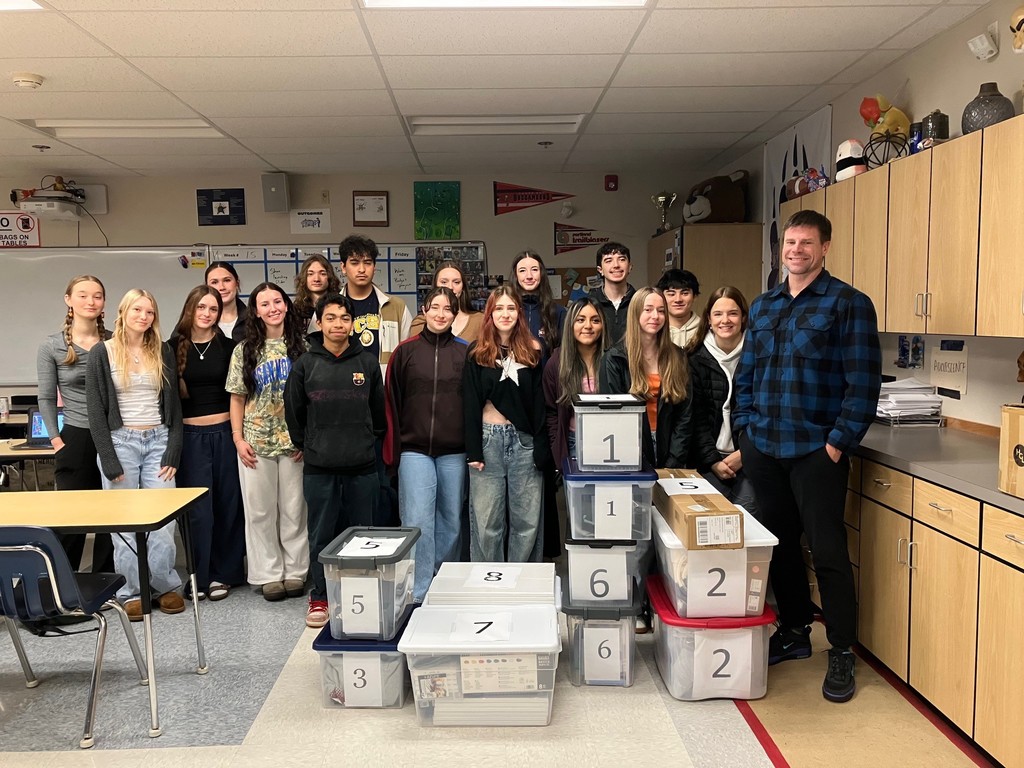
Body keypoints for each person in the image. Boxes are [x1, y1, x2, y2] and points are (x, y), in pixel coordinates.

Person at [733, 209, 881, 704]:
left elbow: (863, 385)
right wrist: (744, 431)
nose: (795, 250)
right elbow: (747, 375)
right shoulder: (765, 305)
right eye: (789, 242)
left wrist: (838, 443)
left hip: (817, 451)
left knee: (828, 550)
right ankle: (794, 630)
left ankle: (840, 649)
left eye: (805, 243)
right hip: (765, 447)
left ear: (825, 248)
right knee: (779, 545)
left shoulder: (848, 304)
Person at [285, 293, 385, 628]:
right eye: (331, 317)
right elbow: (294, 411)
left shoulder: (367, 363)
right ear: (319, 322)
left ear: (352, 323)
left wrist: (367, 442)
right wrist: (307, 444)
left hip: (362, 465)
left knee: (363, 535)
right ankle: (321, 597)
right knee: (321, 535)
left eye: (344, 317)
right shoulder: (305, 364)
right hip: (319, 466)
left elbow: (378, 412)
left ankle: (362, 594)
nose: (338, 324)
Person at [85, 289, 184, 620]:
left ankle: (165, 586)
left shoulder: (162, 350)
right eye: (137, 310)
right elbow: (95, 412)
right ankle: (131, 592)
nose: (144, 316)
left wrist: (173, 448)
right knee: (124, 525)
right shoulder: (103, 352)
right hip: (120, 442)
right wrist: (109, 458)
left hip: (158, 439)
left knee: (162, 520)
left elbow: (173, 407)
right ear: (123, 312)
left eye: (150, 312)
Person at [225, 282, 310, 603]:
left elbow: (311, 399)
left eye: (278, 301)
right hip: (255, 443)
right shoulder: (244, 350)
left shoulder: (302, 347)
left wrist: (305, 436)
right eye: (265, 303)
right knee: (260, 512)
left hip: (294, 444)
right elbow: (236, 398)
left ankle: (296, 571)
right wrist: (238, 438)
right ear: (256, 311)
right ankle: (268, 574)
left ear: (286, 306)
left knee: (294, 510)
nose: (273, 307)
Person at [385, 287, 469, 602]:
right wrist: (393, 451)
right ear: (424, 309)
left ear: (455, 314)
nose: (441, 314)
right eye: (435, 307)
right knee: (418, 519)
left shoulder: (466, 352)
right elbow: (392, 402)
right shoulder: (404, 352)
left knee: (450, 519)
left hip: (454, 451)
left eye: (448, 309)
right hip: (414, 449)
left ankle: (444, 585)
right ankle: (419, 591)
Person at [169, 285, 245, 602]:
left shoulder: (230, 347)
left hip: (225, 434)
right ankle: (198, 575)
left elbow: (237, 395)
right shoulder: (171, 348)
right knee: (199, 512)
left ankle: (223, 575)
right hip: (190, 439)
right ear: (190, 309)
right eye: (201, 307)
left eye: (212, 309)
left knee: (228, 505)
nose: (206, 314)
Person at [463, 286, 548, 563]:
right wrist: (473, 450)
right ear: (490, 313)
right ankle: (490, 582)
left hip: (524, 441)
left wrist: (540, 448)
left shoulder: (534, 350)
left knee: (527, 521)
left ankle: (521, 580)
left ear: (519, 313)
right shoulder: (477, 353)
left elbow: (540, 403)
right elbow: (470, 403)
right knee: (488, 522)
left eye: (511, 308)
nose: (505, 313)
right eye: (499, 308)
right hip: (489, 442)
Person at [36, 275, 114, 574]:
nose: (90, 302)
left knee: (112, 516)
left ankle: (106, 580)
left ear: (104, 302)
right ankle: (59, 586)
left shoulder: (113, 341)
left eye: (97, 296)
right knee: (73, 518)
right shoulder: (52, 346)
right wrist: (57, 440)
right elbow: (45, 397)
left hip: (114, 436)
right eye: (82, 295)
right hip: (76, 436)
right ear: (69, 300)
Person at [338, 234, 412, 525]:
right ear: (343, 267)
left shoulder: (395, 307)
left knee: (382, 482)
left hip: (382, 407)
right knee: (346, 486)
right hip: (342, 410)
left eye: (367, 263)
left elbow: (406, 359)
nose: (361, 269)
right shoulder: (331, 307)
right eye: (354, 263)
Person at [509, 249, 566, 558]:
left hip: (548, 403)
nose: (529, 275)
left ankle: (543, 553)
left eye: (534, 269)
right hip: (515, 404)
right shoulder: (508, 310)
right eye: (523, 270)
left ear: (542, 274)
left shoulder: (557, 313)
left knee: (541, 475)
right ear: (515, 276)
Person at [600, 287, 692, 469]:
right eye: (648, 309)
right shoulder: (615, 358)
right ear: (635, 314)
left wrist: (674, 460)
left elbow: (685, 415)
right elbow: (614, 417)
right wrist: (638, 459)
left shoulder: (678, 356)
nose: (655, 316)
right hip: (631, 451)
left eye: (661, 311)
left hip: (671, 449)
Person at [688, 285, 757, 515]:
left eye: (733, 313)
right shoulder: (695, 359)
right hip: (708, 461)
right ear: (708, 319)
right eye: (718, 314)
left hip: (749, 459)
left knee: (748, 517)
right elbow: (695, 418)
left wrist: (745, 454)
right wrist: (713, 461)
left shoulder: (759, 356)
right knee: (712, 520)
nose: (725, 320)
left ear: (743, 318)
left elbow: (764, 412)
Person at [543, 297, 607, 472]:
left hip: (609, 441)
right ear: (570, 324)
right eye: (580, 320)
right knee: (578, 498)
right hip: (572, 441)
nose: (588, 326)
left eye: (595, 320)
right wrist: (558, 448)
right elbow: (551, 412)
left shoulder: (613, 361)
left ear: (603, 326)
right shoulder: (556, 363)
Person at [409, 260, 484, 343]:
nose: (450, 287)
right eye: (444, 282)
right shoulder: (420, 322)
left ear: (463, 287)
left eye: (456, 282)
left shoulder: (479, 320)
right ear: (435, 286)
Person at [587, 241, 637, 346]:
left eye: (622, 259)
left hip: (632, 361)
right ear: (600, 270)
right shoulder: (589, 303)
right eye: (608, 261)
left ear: (630, 267)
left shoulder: (640, 302)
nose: (616, 265)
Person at [293, 253, 341, 333]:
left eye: (322, 273)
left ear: (329, 277)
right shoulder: (296, 310)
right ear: (304, 278)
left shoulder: (341, 306)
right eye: (310, 274)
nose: (316, 279)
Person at [656, 268, 701, 350]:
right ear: (661, 297)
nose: (678, 300)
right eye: (671, 294)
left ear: (694, 296)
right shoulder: (655, 329)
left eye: (685, 293)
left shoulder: (704, 330)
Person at [206, 261, 247, 342]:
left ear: (237, 284)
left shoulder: (254, 319)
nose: (221, 287)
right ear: (207, 287)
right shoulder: (197, 321)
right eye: (214, 282)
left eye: (227, 280)